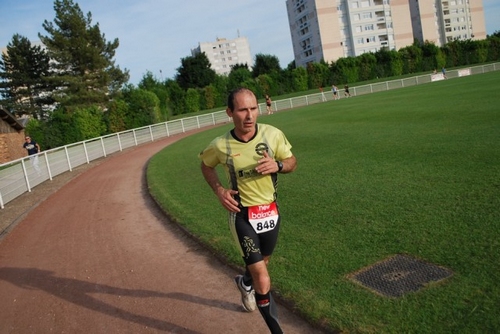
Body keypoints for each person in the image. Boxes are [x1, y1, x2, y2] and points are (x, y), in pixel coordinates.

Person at [199, 88, 297, 334]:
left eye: (253, 109)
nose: (249, 115)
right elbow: (206, 165)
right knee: (262, 278)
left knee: (261, 263)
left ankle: (244, 283)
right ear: (230, 112)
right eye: (242, 110)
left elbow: (292, 161)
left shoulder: (272, 135)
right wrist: (219, 190)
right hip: (242, 215)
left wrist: (279, 164)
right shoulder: (221, 145)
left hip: (270, 213)